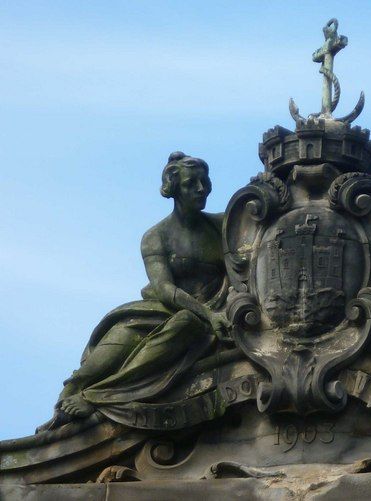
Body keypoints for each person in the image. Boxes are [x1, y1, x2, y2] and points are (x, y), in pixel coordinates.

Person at [38, 152, 230, 431]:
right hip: (165, 308)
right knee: (112, 344)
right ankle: (64, 410)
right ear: (174, 188)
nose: (201, 189)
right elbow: (164, 288)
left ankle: (96, 397)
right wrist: (209, 314)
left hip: (203, 315)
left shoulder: (221, 225)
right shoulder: (156, 236)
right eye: (192, 184)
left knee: (185, 324)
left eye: (204, 182)